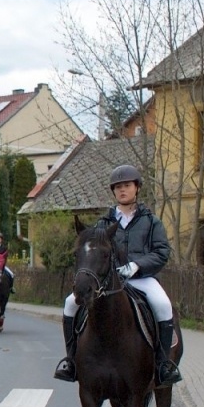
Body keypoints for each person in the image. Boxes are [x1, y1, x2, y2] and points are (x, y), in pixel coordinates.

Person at [54, 164, 182, 385]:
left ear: (137, 188)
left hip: (142, 279)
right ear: (113, 191)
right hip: (110, 282)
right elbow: (92, 253)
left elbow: (162, 253)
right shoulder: (103, 224)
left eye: (127, 186)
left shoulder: (151, 221)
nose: (123, 190)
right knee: (69, 304)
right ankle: (71, 361)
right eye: (118, 187)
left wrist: (137, 266)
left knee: (163, 305)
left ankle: (163, 365)